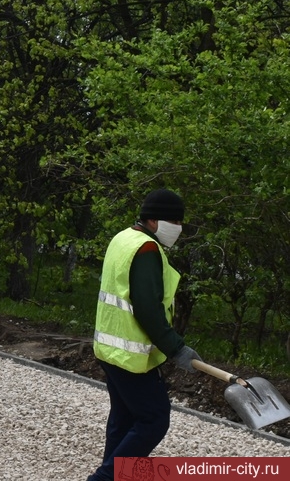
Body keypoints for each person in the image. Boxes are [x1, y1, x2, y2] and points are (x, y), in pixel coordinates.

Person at [87, 188, 202, 481]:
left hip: (109, 348)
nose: (178, 228)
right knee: (154, 418)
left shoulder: (123, 238)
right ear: (153, 221)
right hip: (131, 356)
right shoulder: (147, 249)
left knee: (124, 419)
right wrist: (176, 349)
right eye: (173, 222)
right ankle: (103, 479)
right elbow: (148, 308)